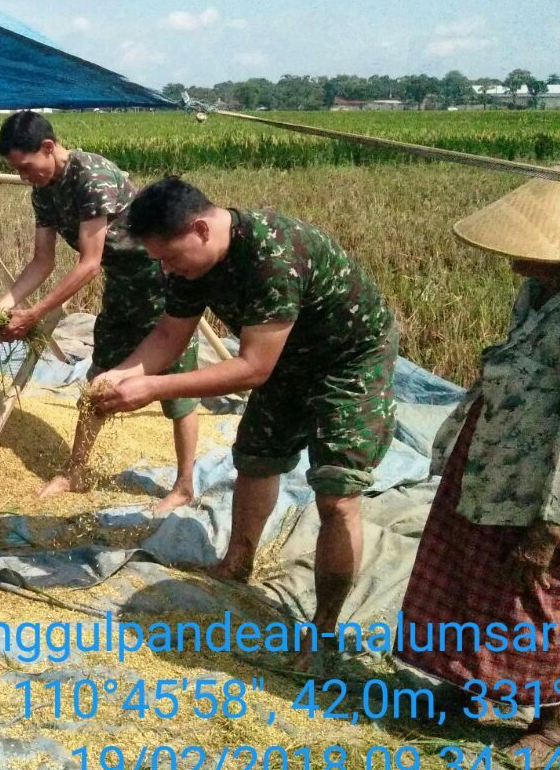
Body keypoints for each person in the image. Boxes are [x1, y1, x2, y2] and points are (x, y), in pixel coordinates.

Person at [92, 176, 397, 665]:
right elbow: (169, 336)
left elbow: (253, 368)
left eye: (168, 257)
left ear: (200, 229)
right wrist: (123, 373)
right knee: (255, 458)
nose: (165, 268)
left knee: (336, 493)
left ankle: (323, 629)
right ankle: (236, 564)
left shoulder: (271, 257)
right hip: (285, 360)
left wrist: (153, 388)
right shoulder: (190, 265)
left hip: (348, 361)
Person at [395, 150, 560, 761]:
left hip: (549, 481)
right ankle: (466, 683)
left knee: (541, 589)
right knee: (467, 571)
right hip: (490, 457)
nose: (514, 258)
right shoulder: (539, 289)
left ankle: (551, 717)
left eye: (530, 245)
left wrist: (556, 520)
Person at [0, 111, 199, 509]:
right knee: (99, 379)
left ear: (48, 147)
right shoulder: (43, 191)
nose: (23, 176)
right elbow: (42, 261)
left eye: (26, 166)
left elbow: (89, 263)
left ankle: (184, 485)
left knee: (177, 386)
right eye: (16, 170)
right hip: (122, 287)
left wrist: (35, 315)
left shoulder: (91, 175)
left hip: (162, 283)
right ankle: (75, 472)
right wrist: (4, 305)